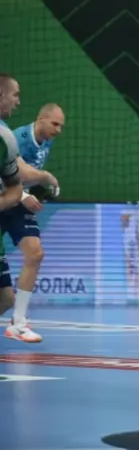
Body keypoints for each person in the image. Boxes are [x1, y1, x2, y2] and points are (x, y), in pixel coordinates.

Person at [1, 104, 64, 342]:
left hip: (17, 204)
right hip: (6, 198)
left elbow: (27, 175)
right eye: (54, 124)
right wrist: (24, 195)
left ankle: (18, 324)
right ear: (40, 119)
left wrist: (38, 192)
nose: (58, 130)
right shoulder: (18, 138)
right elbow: (6, 172)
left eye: (61, 126)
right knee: (5, 296)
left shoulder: (46, 141)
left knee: (35, 254)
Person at [0, 75, 32, 327]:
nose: (18, 102)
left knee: (6, 298)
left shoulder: (6, 139)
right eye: (15, 95)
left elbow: (14, 188)